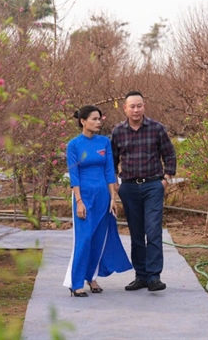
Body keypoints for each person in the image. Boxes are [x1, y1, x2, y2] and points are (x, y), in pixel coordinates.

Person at [63, 105, 132, 297]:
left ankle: (91, 277)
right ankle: (76, 283)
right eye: (94, 119)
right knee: (84, 238)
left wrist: (113, 198)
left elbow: (109, 171)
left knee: (99, 239)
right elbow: (74, 175)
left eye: (99, 118)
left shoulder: (104, 142)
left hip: (103, 196)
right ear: (83, 121)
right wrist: (79, 201)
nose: (98, 122)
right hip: (84, 196)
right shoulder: (74, 145)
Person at [111, 91, 177, 292]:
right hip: (129, 188)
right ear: (125, 108)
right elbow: (111, 160)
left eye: (139, 106)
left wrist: (166, 179)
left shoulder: (156, 128)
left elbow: (169, 154)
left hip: (152, 186)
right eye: (132, 106)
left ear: (144, 106)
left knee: (153, 230)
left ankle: (154, 276)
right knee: (136, 233)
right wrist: (115, 183)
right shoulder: (118, 132)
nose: (136, 110)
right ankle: (141, 276)